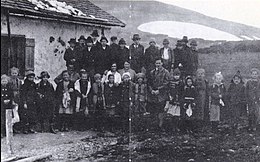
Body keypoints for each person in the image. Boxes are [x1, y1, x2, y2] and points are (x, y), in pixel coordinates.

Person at [147, 58, 170, 130]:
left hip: (161, 94)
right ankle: (154, 126)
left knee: (161, 110)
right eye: (157, 63)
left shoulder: (166, 72)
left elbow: (167, 83)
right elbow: (149, 82)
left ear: (162, 63)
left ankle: (160, 126)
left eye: (159, 63)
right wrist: (151, 90)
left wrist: (159, 90)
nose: (158, 65)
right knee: (153, 110)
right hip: (153, 94)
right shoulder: (152, 72)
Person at [165, 68, 184, 133]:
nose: (176, 76)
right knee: (171, 114)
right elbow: (168, 90)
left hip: (178, 100)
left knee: (177, 115)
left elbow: (182, 92)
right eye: (175, 75)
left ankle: (176, 126)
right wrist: (170, 96)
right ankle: (172, 127)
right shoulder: (171, 82)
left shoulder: (181, 83)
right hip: (172, 100)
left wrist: (181, 99)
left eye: (178, 75)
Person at [9, 67, 23, 133]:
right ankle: (10, 128)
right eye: (13, 73)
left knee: (17, 112)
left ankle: (15, 128)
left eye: (15, 73)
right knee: (12, 113)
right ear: (11, 73)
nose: (14, 74)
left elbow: (20, 89)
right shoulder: (9, 81)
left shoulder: (19, 81)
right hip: (12, 96)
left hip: (18, 96)